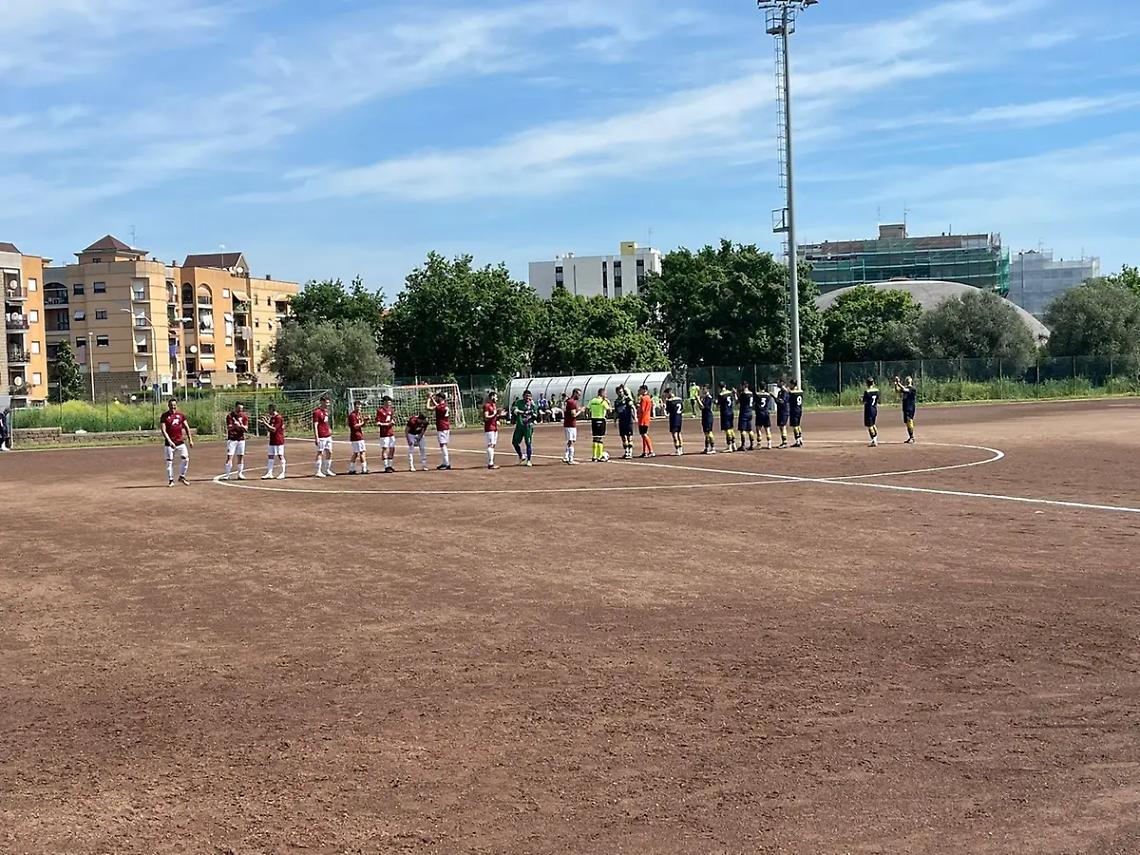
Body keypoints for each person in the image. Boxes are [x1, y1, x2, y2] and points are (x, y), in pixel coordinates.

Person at [159, 397, 193, 485]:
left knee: (186, 458)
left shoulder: (181, 415)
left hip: (180, 442)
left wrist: (190, 440)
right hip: (169, 444)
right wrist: (170, 441)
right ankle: (171, 480)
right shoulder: (164, 416)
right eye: (171, 405)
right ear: (168, 406)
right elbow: (163, 430)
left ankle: (182, 476)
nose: (173, 407)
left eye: (174, 405)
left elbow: (186, 427)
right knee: (169, 461)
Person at [220, 402, 249, 480]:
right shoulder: (230, 416)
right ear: (236, 407)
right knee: (230, 456)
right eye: (239, 408)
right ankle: (227, 475)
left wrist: (241, 426)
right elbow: (229, 427)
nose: (240, 410)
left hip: (241, 439)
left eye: (241, 409)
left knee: (240, 456)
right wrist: (235, 425)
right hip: (232, 439)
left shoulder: (244, 416)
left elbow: (246, 428)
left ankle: (240, 474)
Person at [511, 389, 538, 466]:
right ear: (523, 396)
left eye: (529, 396)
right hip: (520, 425)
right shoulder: (519, 403)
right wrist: (523, 412)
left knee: (528, 443)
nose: (527, 398)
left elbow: (535, 415)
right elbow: (515, 410)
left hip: (528, 427)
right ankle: (521, 456)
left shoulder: (533, 405)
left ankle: (529, 460)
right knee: (514, 442)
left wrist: (532, 413)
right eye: (526, 396)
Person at [260, 403, 286, 479]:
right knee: (270, 456)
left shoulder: (278, 418)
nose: (268, 411)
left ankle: (282, 473)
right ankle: (269, 473)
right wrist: (265, 422)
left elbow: (274, 429)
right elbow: (269, 429)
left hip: (278, 439)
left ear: (272, 409)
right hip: (272, 439)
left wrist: (265, 423)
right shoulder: (272, 418)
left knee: (280, 455)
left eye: (269, 409)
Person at [586, 388, 613, 462]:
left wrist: (588, 415)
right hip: (601, 419)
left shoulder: (592, 400)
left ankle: (594, 456)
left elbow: (587, 409)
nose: (606, 395)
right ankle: (600, 456)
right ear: (602, 393)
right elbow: (610, 410)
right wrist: (609, 403)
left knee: (595, 438)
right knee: (600, 438)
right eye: (605, 393)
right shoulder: (603, 401)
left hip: (594, 420)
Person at [312, 394, 335, 477]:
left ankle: (327, 469)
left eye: (328, 403)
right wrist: (316, 437)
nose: (327, 404)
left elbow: (326, 422)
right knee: (320, 452)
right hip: (321, 436)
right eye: (326, 402)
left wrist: (329, 429)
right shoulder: (317, 412)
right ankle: (318, 471)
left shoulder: (326, 411)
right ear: (322, 402)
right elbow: (315, 425)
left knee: (329, 452)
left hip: (327, 435)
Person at [483, 391, 505, 470]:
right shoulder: (487, 406)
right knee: (490, 445)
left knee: (493, 445)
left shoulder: (494, 405)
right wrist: (494, 414)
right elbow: (486, 417)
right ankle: (490, 464)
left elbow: (494, 416)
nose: (497, 399)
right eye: (496, 397)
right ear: (492, 397)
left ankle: (491, 462)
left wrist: (499, 416)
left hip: (494, 427)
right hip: (489, 428)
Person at [375, 395, 397, 472]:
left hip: (390, 432)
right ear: (384, 402)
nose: (390, 403)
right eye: (388, 402)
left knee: (392, 448)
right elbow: (377, 422)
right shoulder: (380, 411)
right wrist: (386, 424)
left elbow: (393, 418)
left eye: (390, 402)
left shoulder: (391, 410)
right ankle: (386, 466)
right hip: (384, 433)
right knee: (385, 448)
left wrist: (393, 421)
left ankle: (390, 465)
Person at [430, 392, 453, 470]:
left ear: (440, 398)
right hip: (446, 426)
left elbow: (430, 408)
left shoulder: (440, 407)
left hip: (441, 427)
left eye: (437, 397)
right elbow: (437, 406)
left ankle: (446, 463)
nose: (436, 398)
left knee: (443, 445)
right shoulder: (445, 405)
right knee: (444, 445)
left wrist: (430, 398)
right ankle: (444, 462)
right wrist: (432, 399)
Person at [346, 399, 369, 475]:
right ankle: (364, 469)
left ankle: (352, 469)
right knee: (362, 452)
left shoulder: (359, 414)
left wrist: (366, 421)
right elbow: (355, 426)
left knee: (356, 453)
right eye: (357, 406)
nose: (359, 408)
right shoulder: (352, 415)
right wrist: (363, 422)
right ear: (355, 406)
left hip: (359, 435)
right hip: (356, 436)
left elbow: (362, 425)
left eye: (360, 406)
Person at [614, 384, 636, 459]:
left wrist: (635, 416)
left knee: (629, 437)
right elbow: (616, 412)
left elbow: (633, 407)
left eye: (621, 392)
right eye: (619, 392)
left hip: (628, 420)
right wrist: (615, 420)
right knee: (623, 437)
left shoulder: (627, 399)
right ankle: (626, 451)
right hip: (621, 421)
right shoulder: (616, 401)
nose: (620, 393)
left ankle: (630, 452)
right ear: (617, 393)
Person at [894, 375, 917, 444]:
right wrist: (895, 384)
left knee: (909, 420)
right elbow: (897, 391)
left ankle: (912, 437)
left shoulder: (912, 389)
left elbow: (905, 390)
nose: (907, 380)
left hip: (910, 407)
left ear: (911, 381)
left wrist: (898, 383)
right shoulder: (905, 387)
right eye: (907, 379)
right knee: (907, 422)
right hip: (905, 407)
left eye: (909, 379)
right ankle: (910, 436)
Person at [563, 388, 582, 465]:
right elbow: (573, 415)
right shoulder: (571, 402)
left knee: (571, 441)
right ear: (575, 394)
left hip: (571, 424)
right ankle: (570, 459)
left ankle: (566, 456)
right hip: (570, 424)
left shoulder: (571, 402)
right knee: (571, 441)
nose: (579, 396)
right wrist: (580, 411)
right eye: (578, 395)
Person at [636, 385, 656, 458]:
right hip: (646, 418)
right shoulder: (648, 398)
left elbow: (642, 409)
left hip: (643, 419)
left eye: (640, 389)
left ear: (644, 390)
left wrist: (638, 407)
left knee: (644, 434)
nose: (639, 391)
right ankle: (645, 451)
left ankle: (651, 451)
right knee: (643, 435)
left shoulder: (643, 398)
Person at [664, 387, 684, 455]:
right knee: (679, 433)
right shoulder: (679, 399)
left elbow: (667, 411)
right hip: (679, 418)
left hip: (673, 418)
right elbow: (682, 408)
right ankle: (681, 449)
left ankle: (677, 450)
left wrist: (665, 404)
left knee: (674, 434)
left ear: (669, 393)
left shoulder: (669, 401)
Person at [717, 382, 736, 452]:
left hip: (725, 413)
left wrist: (716, 402)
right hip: (731, 412)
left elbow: (718, 405)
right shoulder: (730, 393)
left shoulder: (721, 394)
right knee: (731, 428)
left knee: (727, 429)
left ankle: (729, 446)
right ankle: (734, 444)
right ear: (725, 385)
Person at [737, 381, 756, 451]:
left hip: (744, 413)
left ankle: (743, 445)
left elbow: (737, 402)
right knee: (750, 429)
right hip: (750, 412)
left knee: (743, 430)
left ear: (744, 386)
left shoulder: (743, 394)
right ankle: (752, 444)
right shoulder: (751, 393)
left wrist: (735, 394)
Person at [863, 378, 881, 447]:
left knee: (869, 426)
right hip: (874, 409)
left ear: (867, 384)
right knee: (873, 424)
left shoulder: (867, 391)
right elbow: (877, 399)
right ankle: (875, 438)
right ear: (873, 383)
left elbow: (864, 401)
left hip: (869, 410)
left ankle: (874, 440)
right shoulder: (876, 390)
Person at [756, 383, 774, 450]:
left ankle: (759, 443)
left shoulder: (757, 394)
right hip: (766, 413)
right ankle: (769, 443)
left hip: (759, 413)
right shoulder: (768, 395)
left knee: (758, 429)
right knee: (767, 429)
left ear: (759, 387)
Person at [699, 385, 716, 454]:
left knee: (709, 432)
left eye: (704, 389)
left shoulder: (709, 398)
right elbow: (701, 408)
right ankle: (706, 447)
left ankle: (713, 448)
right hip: (704, 416)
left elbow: (703, 406)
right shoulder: (704, 398)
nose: (703, 390)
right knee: (706, 433)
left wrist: (698, 399)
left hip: (708, 416)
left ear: (708, 389)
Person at [788, 380, 805, 448]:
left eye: (790, 384)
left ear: (793, 384)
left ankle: (797, 440)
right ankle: (800, 438)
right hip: (799, 410)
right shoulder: (800, 392)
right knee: (798, 425)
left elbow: (789, 393)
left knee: (795, 426)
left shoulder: (792, 393)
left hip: (794, 410)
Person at [774, 380, 790, 449]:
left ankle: (785, 442)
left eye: (778, 382)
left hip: (784, 411)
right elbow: (778, 401)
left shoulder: (785, 392)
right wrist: (774, 398)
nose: (777, 384)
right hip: (780, 411)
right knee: (781, 427)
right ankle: (783, 441)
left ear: (782, 383)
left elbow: (782, 401)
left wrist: (775, 398)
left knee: (783, 426)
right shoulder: (780, 392)